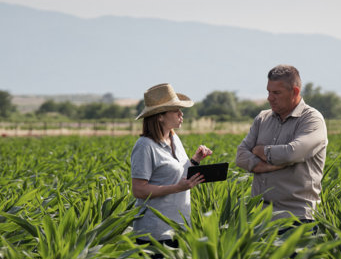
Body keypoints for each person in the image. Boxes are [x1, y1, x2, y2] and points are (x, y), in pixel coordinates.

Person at [235, 64, 327, 221]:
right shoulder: (262, 118)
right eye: (269, 92)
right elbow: (241, 156)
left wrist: (260, 151)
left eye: (277, 93)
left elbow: (292, 153)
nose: (270, 98)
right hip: (260, 217)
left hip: (296, 218)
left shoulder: (312, 119)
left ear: (295, 92)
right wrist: (269, 165)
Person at [130, 83, 214, 248]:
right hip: (155, 233)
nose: (181, 114)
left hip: (179, 228)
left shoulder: (174, 138)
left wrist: (195, 161)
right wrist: (176, 188)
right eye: (175, 110)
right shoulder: (145, 146)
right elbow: (139, 190)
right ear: (160, 116)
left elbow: (177, 173)